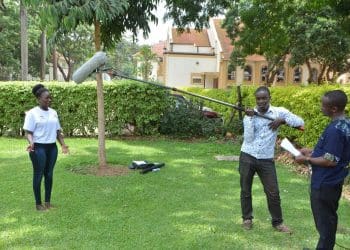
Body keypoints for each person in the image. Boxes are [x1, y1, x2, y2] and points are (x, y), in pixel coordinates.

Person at [239, 86, 304, 233]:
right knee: (245, 190)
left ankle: (278, 223)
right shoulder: (250, 114)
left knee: (273, 192)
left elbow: (300, 122)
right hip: (248, 156)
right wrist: (249, 118)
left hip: (266, 159)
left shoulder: (278, 112)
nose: (261, 101)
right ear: (255, 99)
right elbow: (248, 139)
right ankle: (247, 218)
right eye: (258, 98)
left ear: (269, 98)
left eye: (264, 98)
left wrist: (282, 120)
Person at [295, 90, 350, 249]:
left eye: (323, 105)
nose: (321, 108)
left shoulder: (335, 130)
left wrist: (305, 159)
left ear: (333, 108)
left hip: (325, 183)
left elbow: (330, 160)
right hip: (333, 182)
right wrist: (312, 152)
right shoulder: (345, 124)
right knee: (328, 220)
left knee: (325, 222)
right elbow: (335, 153)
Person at [23, 84, 69, 211]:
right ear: (38, 99)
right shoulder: (32, 113)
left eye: (50, 98)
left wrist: (63, 145)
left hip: (52, 148)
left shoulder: (53, 112)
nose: (49, 100)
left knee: (49, 174)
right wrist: (31, 143)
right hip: (38, 148)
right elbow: (28, 132)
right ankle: (38, 204)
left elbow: (58, 132)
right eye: (46, 98)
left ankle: (48, 202)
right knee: (39, 174)